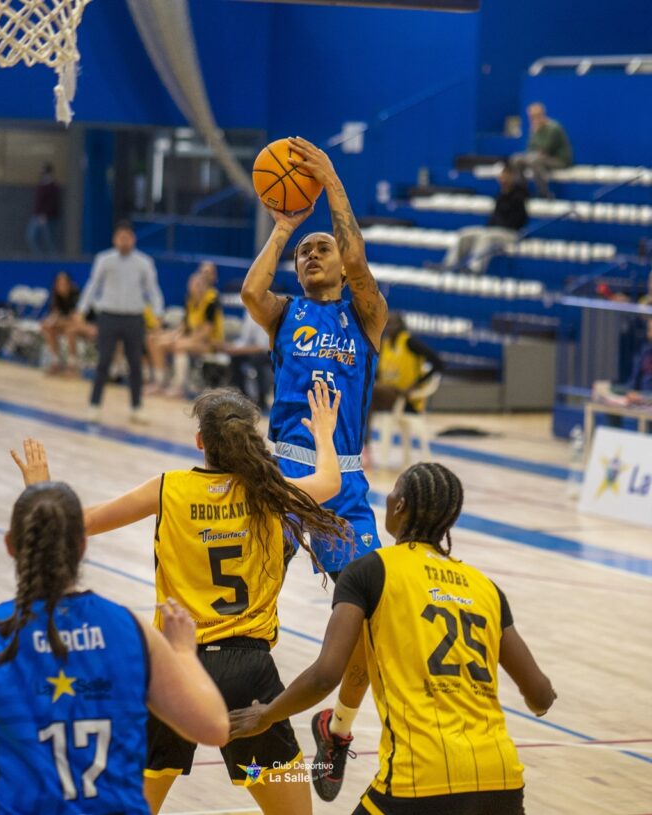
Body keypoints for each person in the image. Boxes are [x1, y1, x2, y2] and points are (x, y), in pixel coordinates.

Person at [12, 381, 348, 815]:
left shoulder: (167, 488)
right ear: (251, 440)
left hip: (173, 669)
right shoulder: (271, 492)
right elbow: (330, 481)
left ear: (199, 442)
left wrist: (39, 486)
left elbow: (80, 523)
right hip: (248, 674)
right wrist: (324, 432)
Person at [231, 461, 557, 815]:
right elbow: (540, 695)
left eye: (392, 492)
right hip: (502, 781)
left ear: (399, 505)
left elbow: (325, 675)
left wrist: (267, 715)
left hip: (419, 778)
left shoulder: (370, 571)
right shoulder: (486, 588)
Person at [0, 480, 229, 814]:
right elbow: (214, 727)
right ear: (82, 545)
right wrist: (184, 652)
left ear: (10, 545)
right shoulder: (132, 631)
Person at [241, 135, 389, 802]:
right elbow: (250, 288)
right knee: (238, 599)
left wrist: (330, 181)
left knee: (367, 622)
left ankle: (339, 727)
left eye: (318, 249)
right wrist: (281, 230)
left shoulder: (365, 316)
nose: (310, 257)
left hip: (347, 481)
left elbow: (356, 256)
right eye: (304, 256)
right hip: (286, 474)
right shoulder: (286, 314)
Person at [76, 221, 164, 424]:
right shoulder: (104, 260)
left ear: (133, 239)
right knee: (103, 362)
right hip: (108, 316)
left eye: (128, 237)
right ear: (115, 239)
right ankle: (94, 406)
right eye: (120, 237)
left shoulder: (144, 262)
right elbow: (93, 285)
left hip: (134, 318)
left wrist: (158, 313)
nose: (124, 241)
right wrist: (82, 309)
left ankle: (136, 408)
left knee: (135, 364)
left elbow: (153, 289)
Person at [365, 311, 444, 463]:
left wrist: (418, 384)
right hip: (386, 396)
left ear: (401, 326)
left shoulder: (410, 342)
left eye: (392, 324)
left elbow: (438, 363)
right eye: (386, 324)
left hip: (405, 398)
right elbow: (379, 374)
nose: (388, 327)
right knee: (365, 395)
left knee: (368, 394)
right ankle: (365, 446)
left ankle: (364, 447)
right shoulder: (386, 344)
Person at [146, 261, 224, 397]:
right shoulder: (190, 299)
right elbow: (184, 325)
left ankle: (179, 387)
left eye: (198, 285)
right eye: (193, 285)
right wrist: (172, 336)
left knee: (179, 345)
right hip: (193, 339)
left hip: (211, 343)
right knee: (154, 340)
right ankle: (159, 382)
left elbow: (205, 332)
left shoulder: (211, 299)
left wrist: (179, 340)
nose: (195, 287)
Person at [440, 163, 529, 274]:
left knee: (486, 237)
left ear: (512, 177)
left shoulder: (520, 196)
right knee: (465, 234)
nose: (503, 180)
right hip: (494, 230)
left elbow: (517, 221)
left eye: (506, 176)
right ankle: (449, 265)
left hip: (511, 233)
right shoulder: (500, 196)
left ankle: (475, 269)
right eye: (501, 177)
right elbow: (493, 219)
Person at [511, 102, 573, 198]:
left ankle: (544, 193)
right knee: (516, 160)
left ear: (542, 114)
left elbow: (545, 148)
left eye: (535, 116)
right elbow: (530, 149)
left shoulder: (553, 128)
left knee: (534, 161)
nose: (533, 119)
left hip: (559, 160)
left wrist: (535, 132)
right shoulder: (534, 128)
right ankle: (522, 190)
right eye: (531, 117)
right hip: (541, 158)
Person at [41, 271, 96, 375]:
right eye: (58, 284)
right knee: (49, 328)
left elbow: (76, 319)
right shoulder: (56, 296)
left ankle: (73, 365)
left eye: (63, 283)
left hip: (88, 326)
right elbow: (55, 314)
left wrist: (59, 321)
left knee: (70, 330)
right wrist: (50, 321)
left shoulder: (76, 295)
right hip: (69, 325)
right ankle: (55, 362)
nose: (61, 286)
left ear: (69, 284)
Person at [224, 309, 272, 412]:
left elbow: (262, 347)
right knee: (235, 357)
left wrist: (241, 350)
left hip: (269, 353)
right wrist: (233, 347)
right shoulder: (249, 312)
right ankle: (243, 397)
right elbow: (244, 340)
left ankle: (262, 400)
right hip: (253, 350)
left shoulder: (267, 312)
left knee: (258, 359)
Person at [26, 163, 61, 255]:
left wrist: (45, 214)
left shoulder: (53, 186)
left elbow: (53, 203)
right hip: (37, 215)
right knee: (32, 236)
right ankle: (39, 256)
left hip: (48, 217)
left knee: (50, 239)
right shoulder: (41, 185)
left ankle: (53, 259)